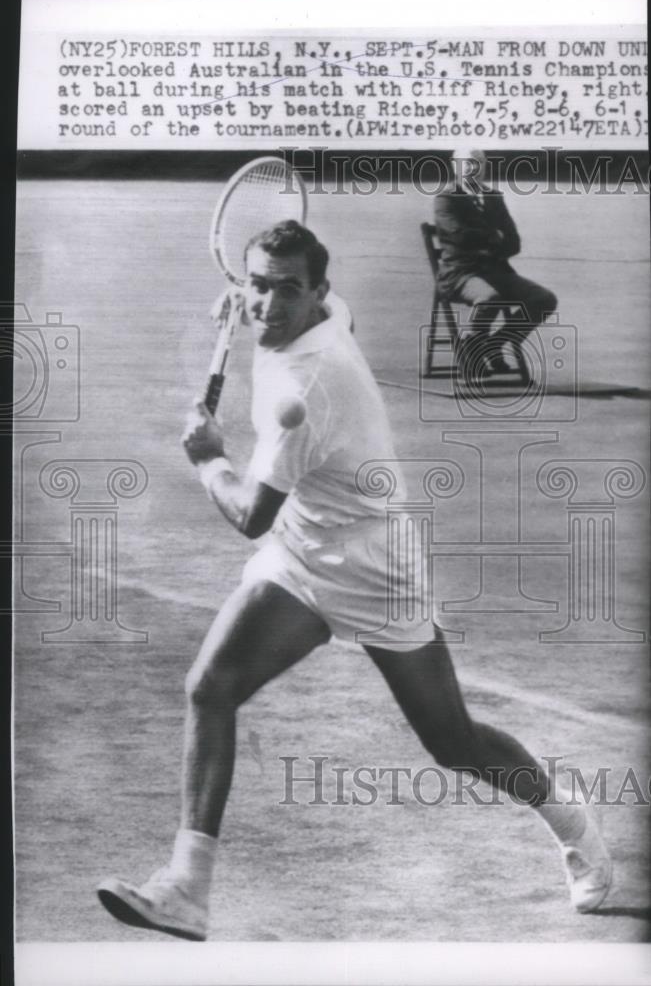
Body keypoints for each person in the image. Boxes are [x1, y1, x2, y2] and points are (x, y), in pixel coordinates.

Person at [97, 220, 610, 941]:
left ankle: (572, 823)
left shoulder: (308, 386)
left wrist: (208, 459)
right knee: (210, 688)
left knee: (452, 743)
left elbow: (247, 514)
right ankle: (186, 889)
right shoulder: (319, 314)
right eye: (258, 285)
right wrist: (238, 306)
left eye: (288, 291)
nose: (269, 305)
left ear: (318, 295)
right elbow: (311, 313)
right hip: (303, 549)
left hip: (374, 567)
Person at [434, 147, 557, 379]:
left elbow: (513, 242)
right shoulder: (446, 198)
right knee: (489, 299)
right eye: (468, 163)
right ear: (455, 167)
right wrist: (493, 236)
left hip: (496, 272)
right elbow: (459, 235)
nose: (473, 169)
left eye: (479, 164)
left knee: (544, 299)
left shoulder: (493, 197)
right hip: (460, 274)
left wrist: (488, 239)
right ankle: (473, 350)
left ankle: (493, 345)